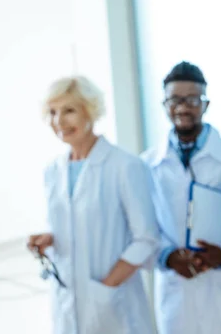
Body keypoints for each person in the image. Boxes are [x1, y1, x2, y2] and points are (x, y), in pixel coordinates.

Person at [28, 76, 160, 334]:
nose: (59, 121)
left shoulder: (125, 166)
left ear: (90, 110)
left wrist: (107, 287)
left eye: (69, 111)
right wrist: (49, 239)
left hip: (115, 305)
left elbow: (147, 239)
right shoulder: (52, 171)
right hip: (68, 302)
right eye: (53, 112)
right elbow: (72, 225)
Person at [141, 61, 221, 334]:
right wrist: (167, 256)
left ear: (205, 105)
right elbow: (142, 228)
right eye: (174, 99)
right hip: (175, 293)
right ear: (164, 104)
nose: (183, 107)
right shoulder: (148, 165)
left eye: (192, 99)